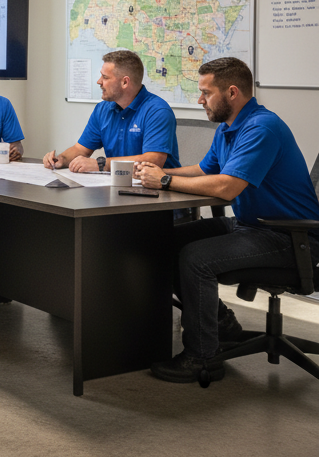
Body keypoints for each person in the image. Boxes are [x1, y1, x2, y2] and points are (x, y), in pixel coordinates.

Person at [136, 57, 319, 382]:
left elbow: (227, 186)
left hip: (292, 239)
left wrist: (163, 182)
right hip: (254, 226)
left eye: (206, 93)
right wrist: (160, 172)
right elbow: (207, 170)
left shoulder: (261, 128)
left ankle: (202, 358)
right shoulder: (229, 128)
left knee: (195, 258)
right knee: (170, 242)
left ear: (232, 92)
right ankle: (220, 325)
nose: (199, 99)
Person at [42, 49, 179, 172]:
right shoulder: (103, 109)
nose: (99, 81)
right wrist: (61, 159)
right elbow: (80, 149)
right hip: (117, 186)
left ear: (125, 82)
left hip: (158, 192)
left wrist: (101, 165)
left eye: (105, 77)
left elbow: (153, 160)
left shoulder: (157, 111)